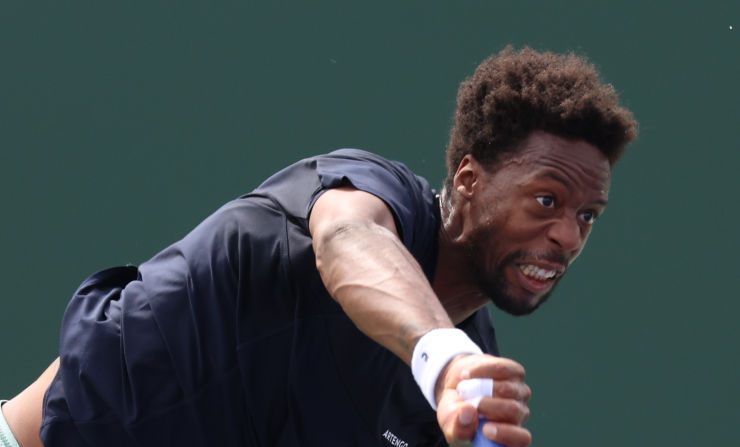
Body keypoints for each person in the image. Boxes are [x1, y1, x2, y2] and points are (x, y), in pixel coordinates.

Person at [0, 46, 637, 447]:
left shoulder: (468, 389)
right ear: (468, 179)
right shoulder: (369, 194)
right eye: (547, 201)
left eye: (588, 216)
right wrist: (441, 360)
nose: (567, 235)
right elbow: (347, 239)